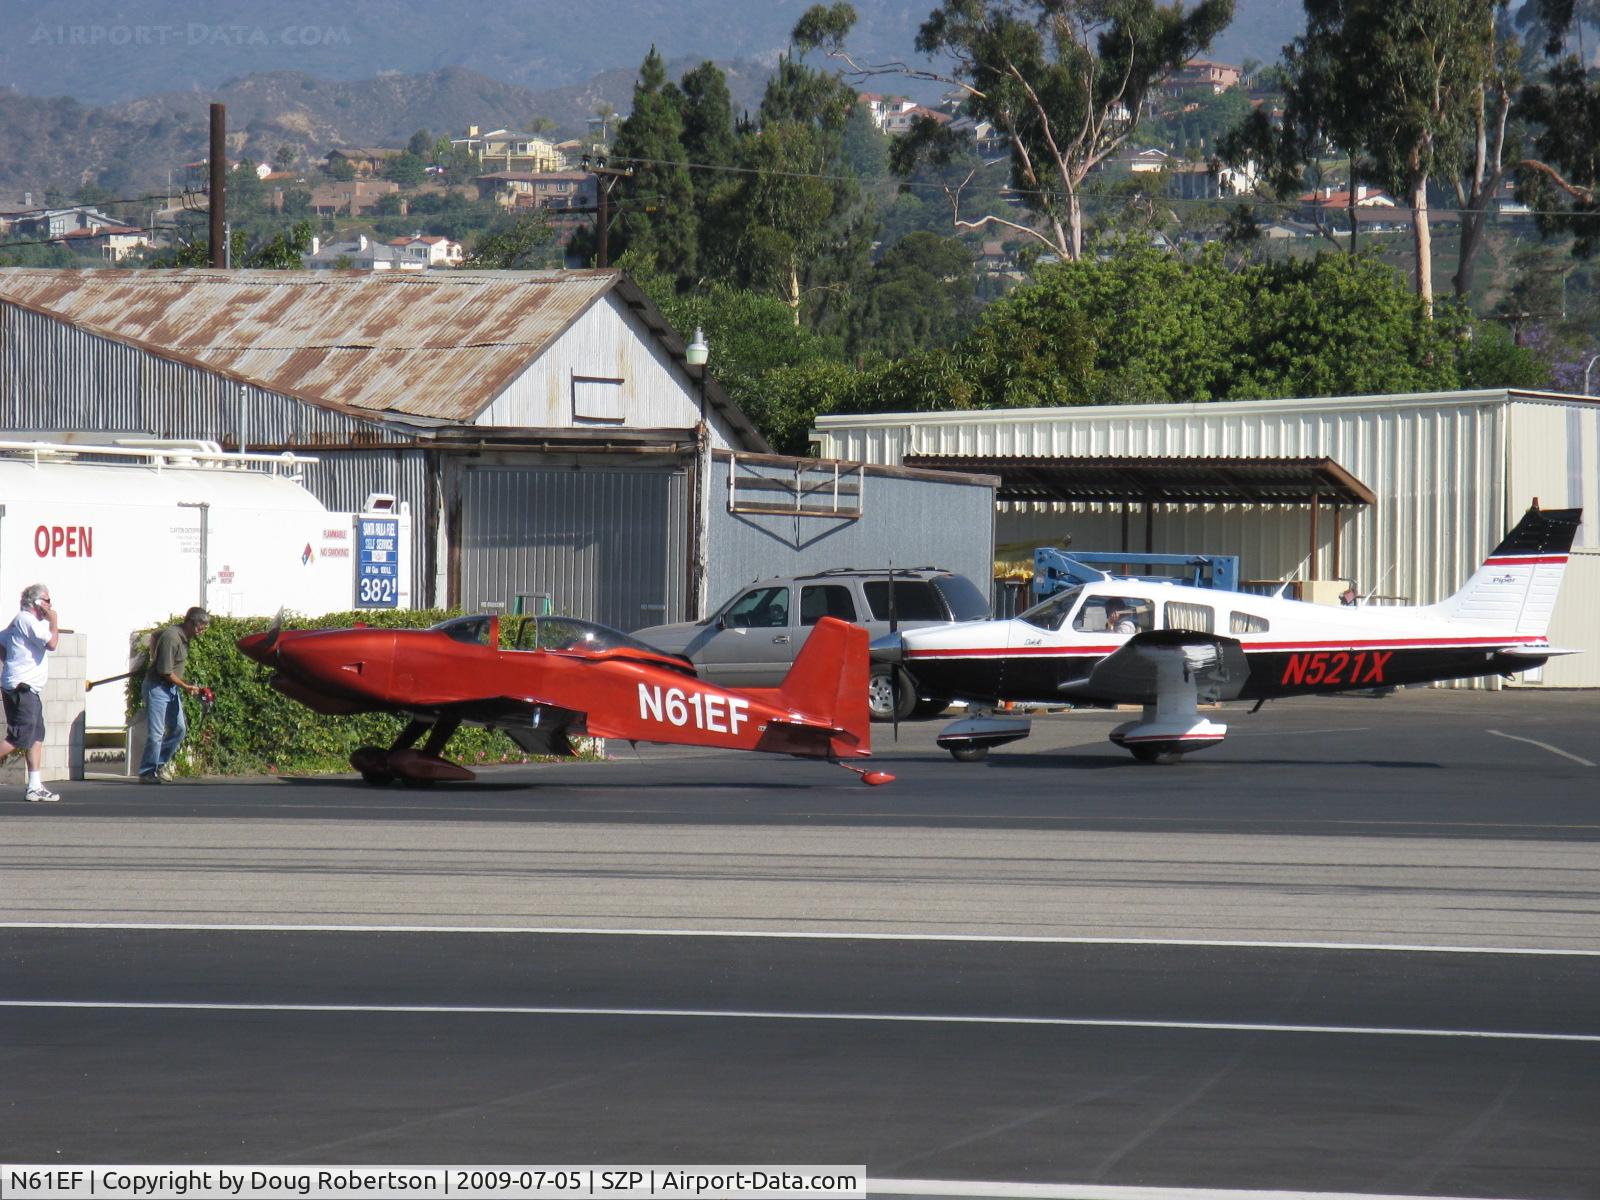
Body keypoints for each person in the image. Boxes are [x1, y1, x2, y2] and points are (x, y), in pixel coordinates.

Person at [0, 583, 63, 802]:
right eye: (46, 600)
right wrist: (53, 619)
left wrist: (11, 662)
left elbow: (2, 640)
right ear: (36, 603)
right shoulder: (27, 619)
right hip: (22, 687)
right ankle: (34, 786)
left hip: (28, 688)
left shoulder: (20, 622)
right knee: (19, 736)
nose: (49, 605)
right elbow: (52, 643)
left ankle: (34, 786)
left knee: (36, 735)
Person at [139, 607, 210, 784]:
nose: (202, 630)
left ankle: (159, 764)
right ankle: (147, 772)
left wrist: (153, 656)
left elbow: (155, 635)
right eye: (201, 626)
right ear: (191, 622)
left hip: (170, 688)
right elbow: (164, 671)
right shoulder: (172, 637)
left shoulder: (181, 636)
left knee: (179, 729)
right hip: (158, 687)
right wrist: (186, 686)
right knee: (156, 733)